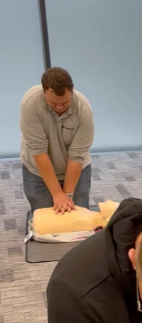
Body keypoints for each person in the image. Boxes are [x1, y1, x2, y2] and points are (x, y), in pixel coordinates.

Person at [20, 67, 94, 214]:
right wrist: (56, 194)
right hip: (38, 170)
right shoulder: (30, 103)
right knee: (46, 219)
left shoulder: (83, 110)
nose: (59, 107)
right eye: (53, 103)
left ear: (72, 92)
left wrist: (66, 196)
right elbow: (39, 150)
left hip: (75, 168)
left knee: (77, 217)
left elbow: (77, 156)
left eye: (65, 102)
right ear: (44, 92)